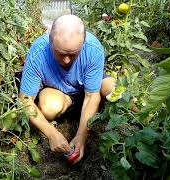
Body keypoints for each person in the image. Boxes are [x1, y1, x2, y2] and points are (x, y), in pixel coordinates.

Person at [18, 15, 115, 164]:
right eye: (61, 53)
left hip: (88, 90)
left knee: (114, 90)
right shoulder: (38, 52)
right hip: (61, 94)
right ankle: (80, 110)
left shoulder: (93, 48)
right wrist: (51, 134)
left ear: (83, 43)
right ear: (50, 41)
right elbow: (25, 99)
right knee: (48, 108)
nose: (66, 60)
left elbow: (91, 95)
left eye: (73, 54)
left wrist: (81, 136)